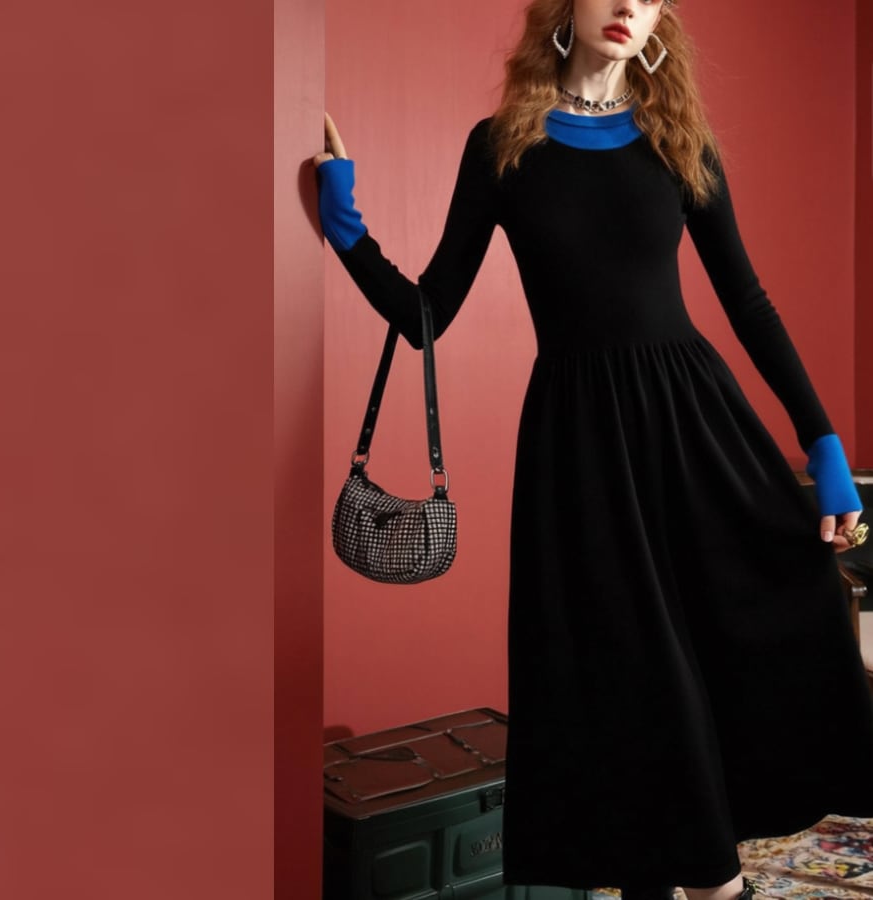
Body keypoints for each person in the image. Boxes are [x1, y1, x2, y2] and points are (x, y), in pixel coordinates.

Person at [313, 0, 873, 898]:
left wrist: (825, 446)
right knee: (622, 682)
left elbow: (748, 303)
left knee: (746, 623)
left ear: (659, 21)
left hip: (693, 428)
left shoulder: (679, 142)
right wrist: (345, 222)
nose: (627, 6)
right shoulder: (501, 147)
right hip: (577, 451)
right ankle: (698, 878)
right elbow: (427, 315)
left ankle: (714, 879)